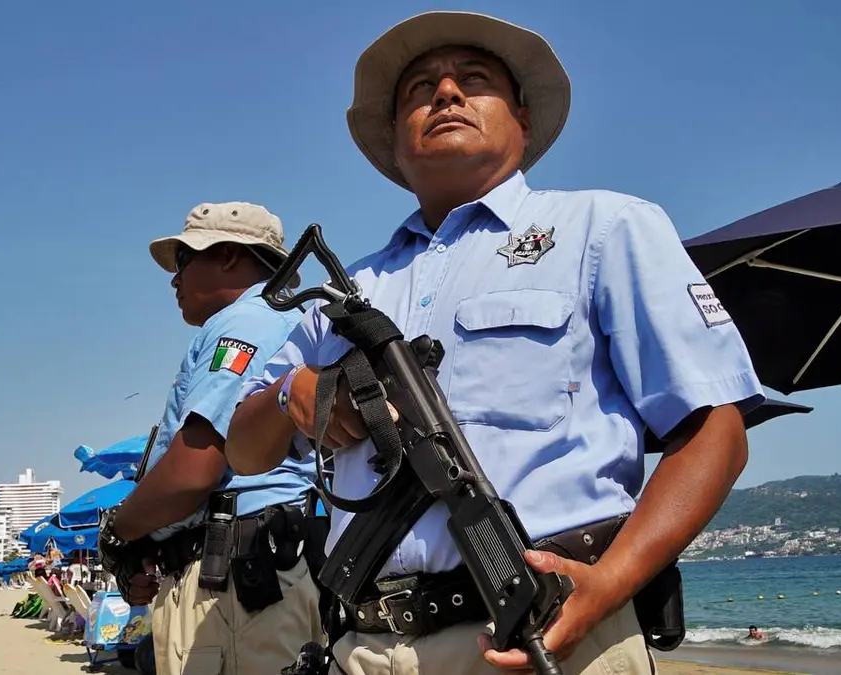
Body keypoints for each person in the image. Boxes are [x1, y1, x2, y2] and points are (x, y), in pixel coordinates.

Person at [226, 10, 765, 675]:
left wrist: (610, 584)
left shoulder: (604, 229)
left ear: (523, 121)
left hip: (550, 632)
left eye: (472, 80)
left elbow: (716, 429)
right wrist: (291, 392)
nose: (445, 93)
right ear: (394, 141)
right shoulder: (351, 290)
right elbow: (242, 450)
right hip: (365, 647)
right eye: (420, 89)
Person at [99, 202, 325, 675]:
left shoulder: (246, 321)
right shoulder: (282, 320)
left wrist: (119, 533)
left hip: (238, 585)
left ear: (227, 256)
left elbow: (195, 468)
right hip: (251, 573)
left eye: (183, 260)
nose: (174, 280)